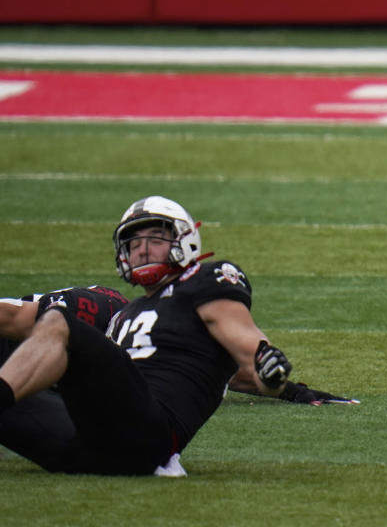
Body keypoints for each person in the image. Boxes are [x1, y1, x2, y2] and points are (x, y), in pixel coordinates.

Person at [0, 196, 352, 476]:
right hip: (88, 445)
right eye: (134, 242)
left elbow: (247, 349)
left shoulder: (205, 281)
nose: (142, 249)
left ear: (186, 239)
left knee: (57, 321)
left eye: (155, 238)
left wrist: (273, 377)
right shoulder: (124, 312)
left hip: (147, 437)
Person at [0, 288, 353, 406]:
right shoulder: (95, 309)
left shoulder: (159, 347)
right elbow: (11, 319)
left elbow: (232, 373)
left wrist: (293, 392)